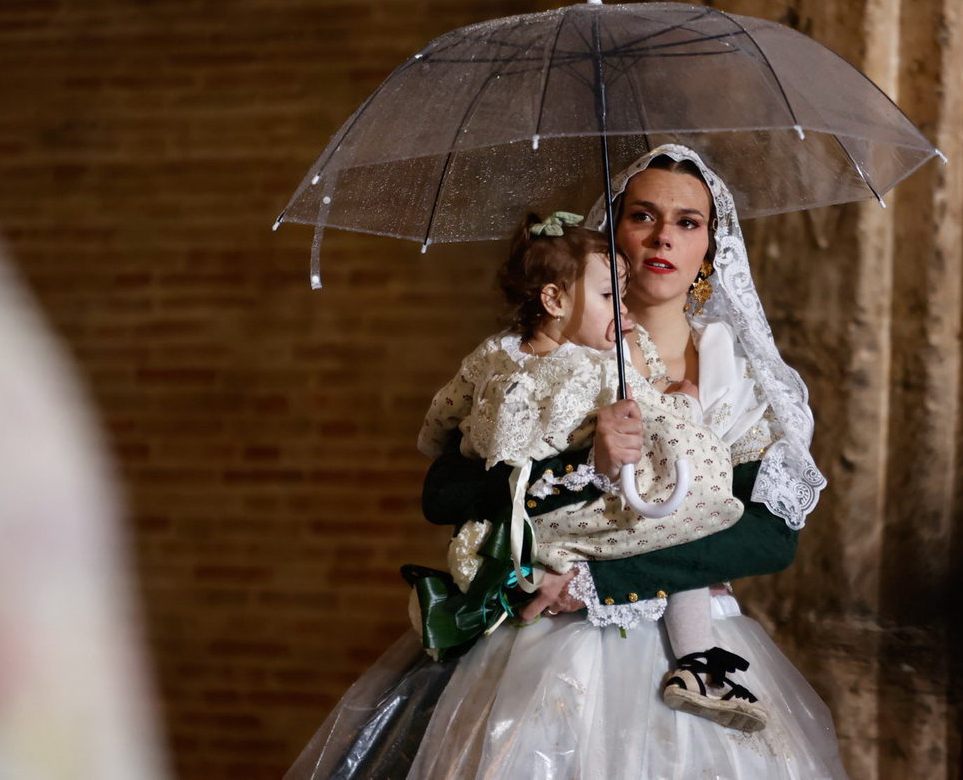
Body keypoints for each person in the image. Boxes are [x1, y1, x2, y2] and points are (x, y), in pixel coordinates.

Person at [285, 144, 847, 780]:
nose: (663, 237)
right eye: (643, 216)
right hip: (539, 628)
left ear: (710, 249)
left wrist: (595, 584)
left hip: (680, 632)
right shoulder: (539, 358)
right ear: (611, 233)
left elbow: (770, 535)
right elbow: (444, 491)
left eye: (688, 222)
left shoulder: (742, 380)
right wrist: (580, 463)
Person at [414, 209, 760, 729]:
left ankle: (690, 656)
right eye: (608, 296)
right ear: (555, 300)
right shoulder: (592, 365)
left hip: (536, 530)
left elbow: (444, 411)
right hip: (567, 518)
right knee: (676, 520)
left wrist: (440, 437)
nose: (621, 308)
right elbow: (650, 413)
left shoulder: (496, 353)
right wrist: (685, 404)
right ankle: (696, 659)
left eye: (688, 223)